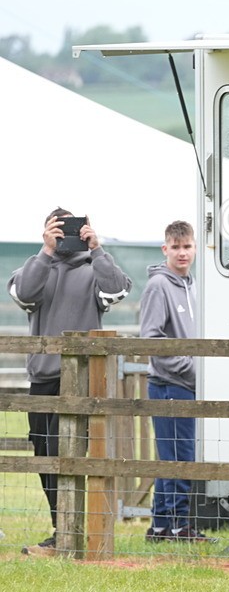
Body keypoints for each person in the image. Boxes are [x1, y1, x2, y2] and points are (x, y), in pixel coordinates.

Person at [8, 209, 132, 556]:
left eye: (72, 229)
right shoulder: (34, 267)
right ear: (47, 230)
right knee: (46, 456)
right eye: (58, 229)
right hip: (43, 379)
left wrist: (97, 249)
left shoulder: (96, 268)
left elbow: (117, 289)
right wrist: (45, 252)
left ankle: (72, 532)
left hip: (82, 381)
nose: (66, 235)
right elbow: (23, 293)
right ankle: (60, 531)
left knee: (73, 457)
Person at [141, 220, 209, 542]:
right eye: (176, 247)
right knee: (177, 460)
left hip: (188, 386)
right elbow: (152, 340)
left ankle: (161, 527)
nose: (183, 253)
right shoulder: (159, 286)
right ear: (165, 249)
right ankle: (177, 526)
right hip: (169, 384)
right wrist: (193, 368)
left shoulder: (195, 286)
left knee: (177, 458)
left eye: (187, 246)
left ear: (195, 248)